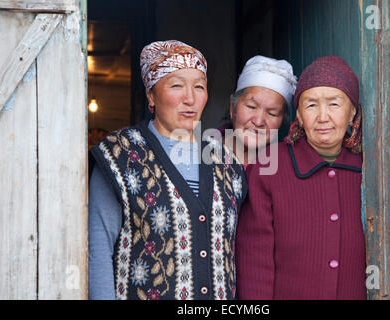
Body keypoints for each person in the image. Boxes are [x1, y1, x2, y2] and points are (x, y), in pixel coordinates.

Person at [88, 40, 247, 300]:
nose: (190, 98)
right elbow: (98, 248)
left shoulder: (228, 164)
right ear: (151, 95)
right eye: (176, 85)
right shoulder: (121, 155)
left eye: (199, 86)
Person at [235, 56, 366, 299]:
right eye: (311, 105)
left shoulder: (370, 168)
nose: (323, 116)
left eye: (334, 104)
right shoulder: (268, 166)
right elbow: (254, 260)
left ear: (352, 114)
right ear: (298, 115)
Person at [220, 55, 297, 167]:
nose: (258, 121)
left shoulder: (283, 168)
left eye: (272, 113)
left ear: (282, 122)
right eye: (251, 107)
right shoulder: (201, 156)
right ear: (233, 109)